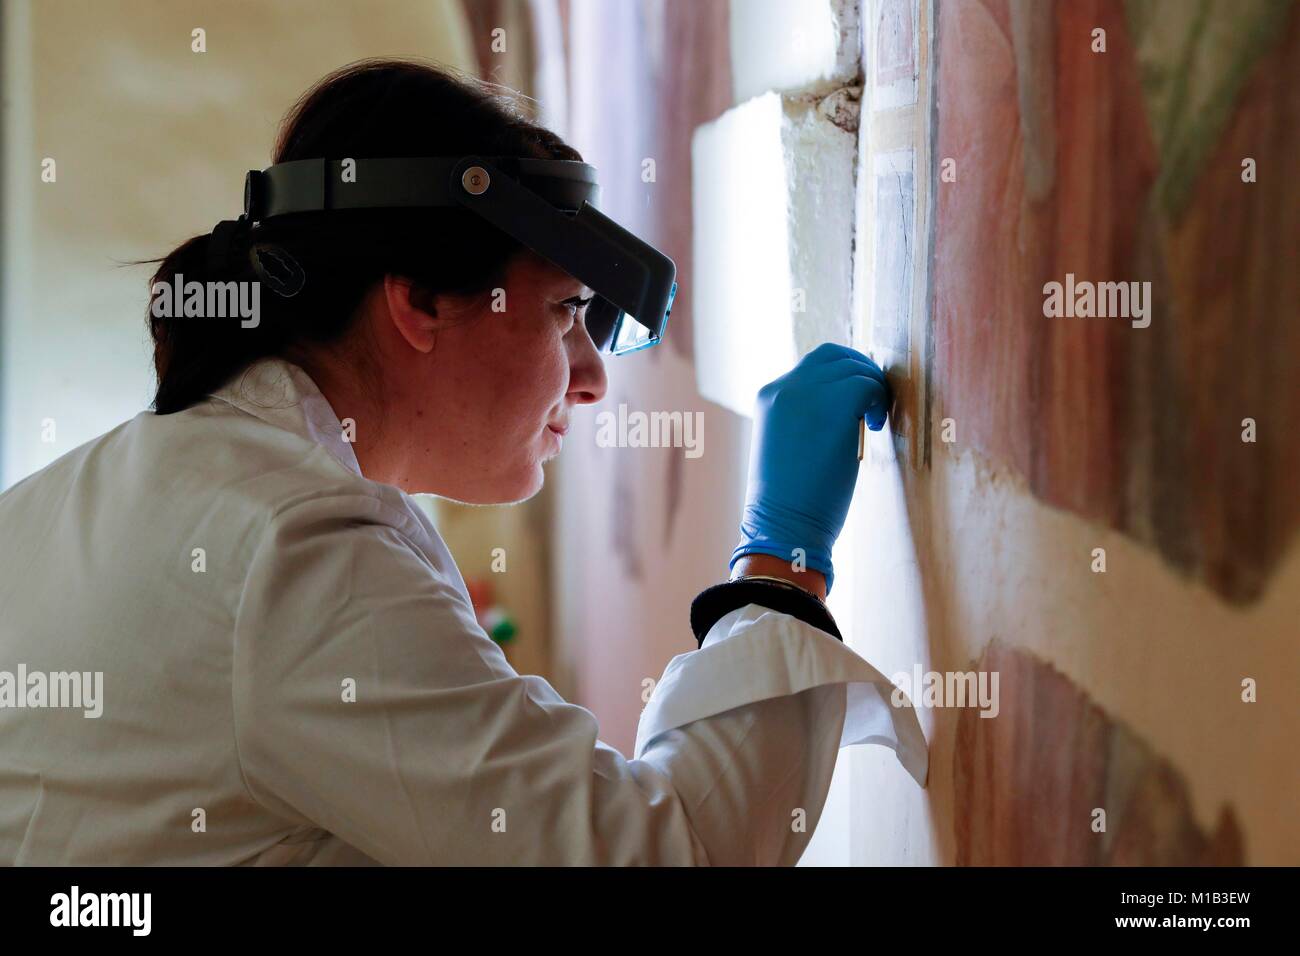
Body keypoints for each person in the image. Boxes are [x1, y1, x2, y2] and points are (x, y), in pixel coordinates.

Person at [0, 59, 924, 866]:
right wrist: (777, 568)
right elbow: (657, 856)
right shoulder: (298, 549)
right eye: (567, 310)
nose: (593, 379)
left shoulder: (87, 496)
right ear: (421, 304)